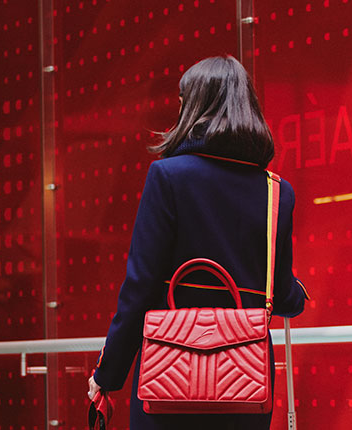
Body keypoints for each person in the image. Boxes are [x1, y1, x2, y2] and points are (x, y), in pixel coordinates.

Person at [86, 55, 308, 429]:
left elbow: (140, 287)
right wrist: (298, 294)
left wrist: (107, 375)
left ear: (194, 108)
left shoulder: (167, 177)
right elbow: (283, 296)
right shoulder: (277, 192)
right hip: (246, 383)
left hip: (169, 375)